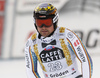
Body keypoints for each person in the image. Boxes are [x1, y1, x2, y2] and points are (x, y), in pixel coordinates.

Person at [24, 2, 93, 78]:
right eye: (39, 23)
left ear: (54, 21)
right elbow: (31, 71)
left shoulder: (68, 35)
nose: (43, 27)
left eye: (47, 23)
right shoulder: (31, 43)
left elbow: (85, 60)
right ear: (35, 23)